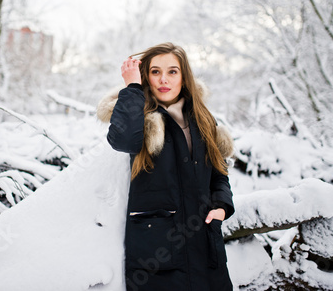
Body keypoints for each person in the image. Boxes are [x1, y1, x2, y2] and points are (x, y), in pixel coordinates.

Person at [97, 42, 235, 291]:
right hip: (157, 252)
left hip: (205, 245)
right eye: (155, 71)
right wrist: (132, 87)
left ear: (184, 76)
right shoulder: (142, 116)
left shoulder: (202, 119)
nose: (164, 79)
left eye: (172, 71)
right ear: (145, 77)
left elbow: (218, 171)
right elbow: (123, 140)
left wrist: (222, 207)